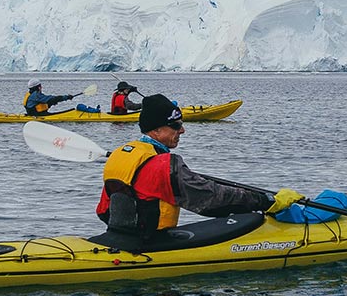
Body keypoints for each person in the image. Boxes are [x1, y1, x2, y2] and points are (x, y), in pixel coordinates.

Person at [95, 95, 314, 248]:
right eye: (175, 125)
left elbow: (103, 211)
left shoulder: (120, 154)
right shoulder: (162, 166)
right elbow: (213, 200)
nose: (182, 129)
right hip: (149, 244)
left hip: (116, 238)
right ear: (155, 130)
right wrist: (267, 201)